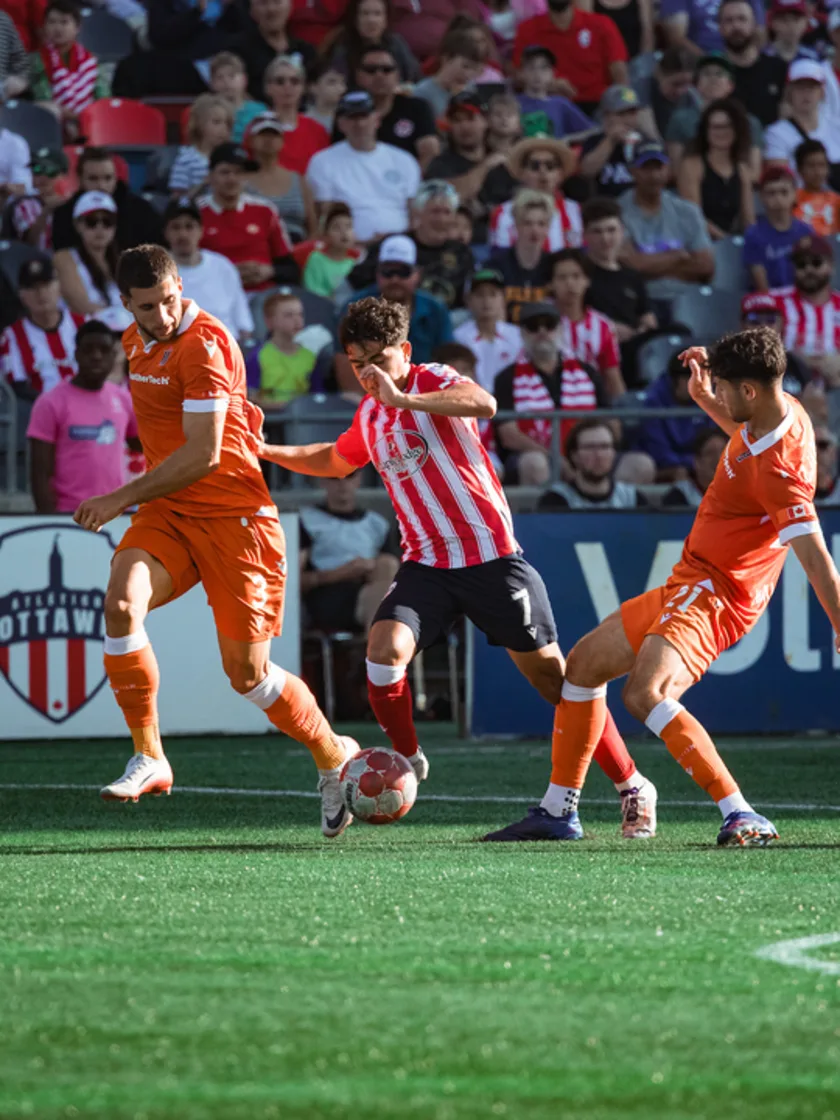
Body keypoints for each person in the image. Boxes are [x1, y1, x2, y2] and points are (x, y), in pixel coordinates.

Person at [254, 295, 657, 837]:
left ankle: (632, 784)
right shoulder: (370, 412)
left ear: (405, 351)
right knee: (383, 651)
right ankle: (409, 756)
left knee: (559, 687)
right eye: (357, 363)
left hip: (492, 559)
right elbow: (335, 457)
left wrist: (406, 397)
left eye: (379, 359)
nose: (369, 373)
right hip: (427, 566)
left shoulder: (431, 379)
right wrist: (265, 450)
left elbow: (483, 403)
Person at [487, 328, 840, 846]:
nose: (715, 391)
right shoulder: (777, 406)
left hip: (718, 593)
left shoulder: (782, 470)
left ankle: (740, 811)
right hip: (690, 581)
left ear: (748, 390)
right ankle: (559, 810)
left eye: (722, 386)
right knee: (582, 667)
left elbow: (816, 558)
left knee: (646, 693)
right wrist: (707, 401)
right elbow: (744, 441)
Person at [72, 244, 358, 836]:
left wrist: (119, 496)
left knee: (247, 676)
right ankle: (150, 755)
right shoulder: (133, 342)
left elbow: (203, 454)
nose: (161, 313)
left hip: (237, 520)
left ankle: (333, 754)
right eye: (146, 306)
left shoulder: (205, 342)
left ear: (181, 285)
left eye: (169, 298)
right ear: (125, 305)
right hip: (171, 512)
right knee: (121, 606)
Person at [27, 319, 141, 513]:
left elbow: (146, 447)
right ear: (76, 354)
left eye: (104, 350)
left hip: (116, 515)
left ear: (113, 356)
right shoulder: (50, 402)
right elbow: (40, 475)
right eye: (88, 349)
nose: (96, 356)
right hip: (69, 515)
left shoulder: (123, 400)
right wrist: (50, 522)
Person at [494, 301, 608, 484]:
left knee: (638, 463)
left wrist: (585, 453)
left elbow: (609, 421)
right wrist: (555, 458)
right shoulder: (506, 378)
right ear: (522, 333)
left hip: (584, 450)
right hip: (533, 456)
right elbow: (509, 436)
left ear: (560, 330)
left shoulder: (588, 372)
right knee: (534, 462)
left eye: (549, 325)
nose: (542, 332)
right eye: (533, 326)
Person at [306, 90, 421, 244]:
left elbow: (414, 212)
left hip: (399, 243)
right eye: (352, 118)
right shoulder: (322, 162)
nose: (359, 124)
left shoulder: (404, 160)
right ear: (341, 123)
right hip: (348, 248)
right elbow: (326, 215)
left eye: (364, 116)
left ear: (376, 120)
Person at [618, 139, 714, 319]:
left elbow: (706, 266)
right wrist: (678, 257)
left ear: (668, 170)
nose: (654, 175)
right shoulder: (619, 211)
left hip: (686, 299)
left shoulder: (688, 211)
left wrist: (649, 267)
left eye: (659, 167)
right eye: (646, 168)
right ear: (632, 171)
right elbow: (632, 266)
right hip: (641, 301)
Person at [300, 472, 400, 633]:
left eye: (349, 477)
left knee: (388, 567)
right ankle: (383, 649)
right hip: (329, 597)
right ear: (322, 481)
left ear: (359, 479)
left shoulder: (377, 524)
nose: (342, 485)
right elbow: (291, 584)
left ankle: (379, 647)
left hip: (371, 589)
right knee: (390, 599)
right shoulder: (307, 521)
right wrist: (345, 572)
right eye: (334, 478)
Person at [198, 142, 298, 293]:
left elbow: (291, 269)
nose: (232, 179)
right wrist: (229, 273)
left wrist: (269, 271)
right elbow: (181, 265)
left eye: (238, 172)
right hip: (214, 294)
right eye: (225, 172)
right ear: (210, 176)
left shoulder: (265, 210)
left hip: (263, 296)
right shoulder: (196, 213)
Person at [581, 197, 658, 389]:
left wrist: (636, 331)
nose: (605, 238)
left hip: (634, 342)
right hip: (600, 346)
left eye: (611, 230)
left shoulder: (631, 275)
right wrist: (609, 329)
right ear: (585, 236)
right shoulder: (580, 273)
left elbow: (648, 319)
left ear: (622, 232)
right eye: (597, 231)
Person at [344, 235, 454, 366]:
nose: (395, 279)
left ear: (417, 274)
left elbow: (448, 362)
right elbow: (345, 360)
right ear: (377, 273)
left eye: (403, 272)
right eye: (387, 271)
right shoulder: (356, 307)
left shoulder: (436, 309)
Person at [512, 0, 628, 115]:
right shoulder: (527, 29)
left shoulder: (602, 24)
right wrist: (549, 84)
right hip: (549, 104)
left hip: (598, 106)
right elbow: (518, 75)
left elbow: (620, 74)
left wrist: (623, 107)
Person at [163, 196, 254, 344]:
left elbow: (244, 325)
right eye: (176, 227)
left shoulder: (223, 266)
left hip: (226, 350)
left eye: (189, 226)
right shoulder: (155, 271)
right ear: (166, 233)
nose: (183, 234)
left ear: (201, 230)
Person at [665, 53, 763, 180]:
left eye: (719, 74)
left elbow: (755, 172)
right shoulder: (680, 119)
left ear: (730, 86)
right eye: (706, 74)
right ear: (697, 85)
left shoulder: (749, 122)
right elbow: (676, 170)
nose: (713, 79)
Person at [51, 147, 163, 252]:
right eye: (93, 178)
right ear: (80, 179)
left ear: (116, 178)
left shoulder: (141, 211)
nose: (101, 186)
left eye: (108, 178)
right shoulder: (64, 214)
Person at [1, 258, 84, 398]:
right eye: (32, 287)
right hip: (40, 412)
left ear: (59, 287)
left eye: (46, 284)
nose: (40, 293)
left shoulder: (84, 325)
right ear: (21, 295)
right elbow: (17, 389)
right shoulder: (10, 338)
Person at [29, 0, 110, 140]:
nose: (57, 28)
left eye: (64, 22)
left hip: (88, 119)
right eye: (52, 22)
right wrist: (71, 116)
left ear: (77, 27)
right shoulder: (36, 59)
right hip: (53, 120)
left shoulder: (90, 60)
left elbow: (102, 96)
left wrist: (81, 116)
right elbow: (42, 96)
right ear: (44, 27)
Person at [676, 97, 755, 239]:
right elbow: (694, 217)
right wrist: (725, 240)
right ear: (705, 131)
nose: (721, 132)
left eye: (727, 126)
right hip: (698, 242)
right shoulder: (692, 165)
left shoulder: (742, 169)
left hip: (729, 241)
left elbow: (748, 219)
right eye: (715, 127)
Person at [350, 44, 439, 170]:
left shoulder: (417, 107)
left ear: (397, 75)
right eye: (371, 70)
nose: (379, 75)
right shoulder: (348, 111)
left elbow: (430, 152)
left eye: (387, 69)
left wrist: (407, 184)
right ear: (358, 76)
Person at [551, 249, 625, 400]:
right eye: (562, 277)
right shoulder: (540, 321)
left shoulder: (603, 326)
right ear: (551, 284)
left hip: (590, 404)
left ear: (587, 281)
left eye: (576, 276)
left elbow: (612, 376)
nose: (570, 283)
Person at [489, 136, 581, 252]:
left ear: (560, 174)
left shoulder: (576, 212)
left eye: (550, 166)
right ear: (522, 173)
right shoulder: (502, 214)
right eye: (535, 166)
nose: (543, 171)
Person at [773, 233, 840, 386]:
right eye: (801, 265)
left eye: (816, 263)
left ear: (831, 266)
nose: (809, 269)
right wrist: (800, 361)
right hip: (790, 383)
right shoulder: (775, 302)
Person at [635, 351, 713, 481]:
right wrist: (694, 463)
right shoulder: (654, 402)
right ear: (676, 380)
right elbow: (659, 452)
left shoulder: (707, 397)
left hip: (698, 465)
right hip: (663, 468)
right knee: (680, 473)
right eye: (691, 378)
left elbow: (713, 440)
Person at [538, 418, 646, 508]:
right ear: (574, 455)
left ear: (614, 453)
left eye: (605, 447)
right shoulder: (555, 501)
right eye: (590, 447)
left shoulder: (633, 499)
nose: (598, 455)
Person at [243, 111, 316, 241]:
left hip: (297, 247)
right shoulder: (242, 181)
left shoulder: (298, 180)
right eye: (263, 134)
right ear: (251, 140)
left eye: (274, 135)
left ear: (282, 141)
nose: (269, 139)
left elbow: (312, 226)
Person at [488, 191, 556, 324]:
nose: (534, 230)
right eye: (527, 223)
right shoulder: (496, 265)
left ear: (548, 228)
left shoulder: (555, 266)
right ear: (516, 226)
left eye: (541, 224)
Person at [764, 60, 840, 180]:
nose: (806, 93)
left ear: (822, 92)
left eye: (812, 87)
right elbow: (780, 179)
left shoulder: (836, 127)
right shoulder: (776, 134)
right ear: (789, 92)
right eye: (800, 87)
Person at [229, 0, 316, 103]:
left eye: (277, 2)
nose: (271, 9)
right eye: (263, 3)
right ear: (251, 11)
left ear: (290, 7)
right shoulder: (237, 50)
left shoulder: (306, 51)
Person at [578, 85, 656, 199]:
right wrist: (611, 140)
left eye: (632, 113)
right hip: (606, 206)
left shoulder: (645, 141)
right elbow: (586, 172)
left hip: (639, 205)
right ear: (606, 116)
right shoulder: (594, 141)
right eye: (622, 114)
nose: (628, 120)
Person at [742, 167, 813, 292]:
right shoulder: (753, 235)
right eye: (771, 193)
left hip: (801, 297)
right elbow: (761, 284)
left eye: (784, 192)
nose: (778, 198)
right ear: (761, 197)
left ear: (795, 195)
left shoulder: (806, 231)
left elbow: (812, 275)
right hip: (770, 301)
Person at [53, 191, 123, 317]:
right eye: (92, 221)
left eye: (107, 221)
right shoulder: (64, 258)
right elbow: (80, 305)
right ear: (78, 225)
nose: (100, 228)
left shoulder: (122, 261)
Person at [718, 0, 787, 127]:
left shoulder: (778, 68)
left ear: (754, 25)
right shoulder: (714, 72)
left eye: (742, 19)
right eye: (729, 20)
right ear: (720, 28)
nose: (736, 26)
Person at [454, 268, 522, 394]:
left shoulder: (517, 336)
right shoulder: (459, 338)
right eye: (480, 295)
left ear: (503, 299)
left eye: (493, 294)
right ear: (468, 300)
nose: (486, 301)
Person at [262, 53, 329, 176]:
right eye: (280, 81)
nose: (288, 86)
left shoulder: (318, 131)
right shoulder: (257, 128)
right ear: (268, 87)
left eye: (294, 81)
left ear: (303, 88)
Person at [323, 0, 421, 84]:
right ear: (355, 19)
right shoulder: (343, 47)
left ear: (386, 19)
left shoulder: (396, 43)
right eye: (365, 13)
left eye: (377, 14)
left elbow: (414, 78)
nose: (371, 20)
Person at [247, 289, 316, 406]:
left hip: (304, 420)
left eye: (300, 314)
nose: (297, 320)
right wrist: (283, 407)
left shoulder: (310, 356)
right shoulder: (258, 356)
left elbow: (317, 396)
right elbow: (250, 398)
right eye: (288, 315)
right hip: (270, 421)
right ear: (269, 321)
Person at [516, 45, 595, 141]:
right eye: (531, 68)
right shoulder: (513, 103)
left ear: (552, 73)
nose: (537, 74)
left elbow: (592, 131)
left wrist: (567, 139)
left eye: (544, 68)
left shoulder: (560, 104)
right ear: (522, 73)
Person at [3, 146, 68, 250]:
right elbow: (30, 244)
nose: (42, 177)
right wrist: (46, 211)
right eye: (36, 169)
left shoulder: (76, 204)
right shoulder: (24, 205)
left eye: (49, 170)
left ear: (64, 174)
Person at [168, 94, 233, 195]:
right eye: (216, 122)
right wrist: (203, 185)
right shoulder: (186, 160)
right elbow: (177, 201)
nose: (223, 129)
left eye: (227, 124)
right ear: (199, 125)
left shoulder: (233, 158)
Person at [413, 30, 485, 121]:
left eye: (474, 69)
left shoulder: (470, 89)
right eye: (465, 66)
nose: (468, 74)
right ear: (446, 59)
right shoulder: (422, 93)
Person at [632, 46, 695, 140]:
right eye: (676, 84)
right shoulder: (641, 87)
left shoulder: (690, 96)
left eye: (687, 84)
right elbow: (649, 132)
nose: (681, 91)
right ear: (658, 74)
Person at [659, 0, 764, 56]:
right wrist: (711, 62)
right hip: (701, 63)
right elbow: (677, 38)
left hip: (745, 58)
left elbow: (759, 32)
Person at [209, 51, 269, 143]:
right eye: (220, 77)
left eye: (231, 76)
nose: (226, 81)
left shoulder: (260, 111)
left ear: (244, 79)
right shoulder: (207, 113)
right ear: (212, 83)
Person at [303, 202, 358, 299]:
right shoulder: (316, 259)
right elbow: (314, 294)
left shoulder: (354, 263)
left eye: (348, 226)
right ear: (325, 235)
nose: (344, 232)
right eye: (336, 227)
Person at [661, 426, 727, 506]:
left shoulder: (740, 491)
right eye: (710, 453)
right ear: (697, 462)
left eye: (723, 451)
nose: (718, 458)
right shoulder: (679, 496)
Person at [793, 139, 840, 236]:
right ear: (799, 169)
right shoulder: (791, 201)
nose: (818, 172)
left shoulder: (836, 201)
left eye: (821, 165)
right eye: (811, 166)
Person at [765, 0, 821, 65]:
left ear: (805, 22)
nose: (790, 25)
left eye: (796, 19)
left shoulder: (813, 59)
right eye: (784, 19)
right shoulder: (760, 58)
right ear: (772, 22)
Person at [304, 59, 347, 134]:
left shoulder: (349, 119)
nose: (341, 88)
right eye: (332, 82)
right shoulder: (304, 121)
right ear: (313, 87)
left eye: (342, 82)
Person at [814, 424, 840, 505]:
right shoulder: (790, 493)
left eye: (822, 445)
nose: (816, 452)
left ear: (833, 454)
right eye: (810, 445)